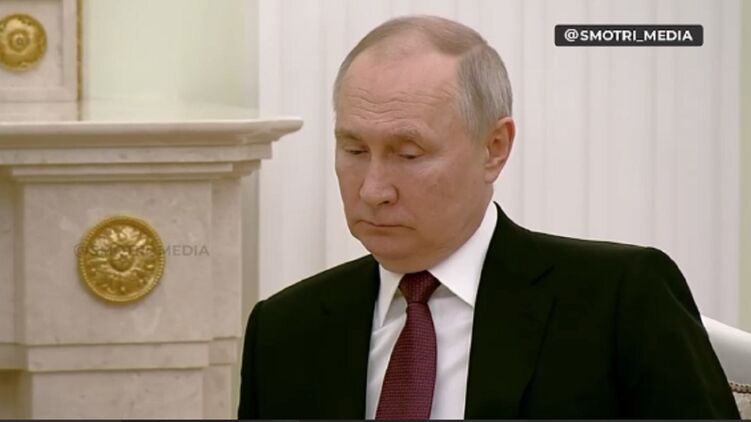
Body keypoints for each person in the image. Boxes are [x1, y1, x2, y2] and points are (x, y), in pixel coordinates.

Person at [238, 15, 739, 419]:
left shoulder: (619, 301)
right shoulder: (283, 331)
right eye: (353, 149)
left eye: (408, 154)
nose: (372, 190)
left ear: (494, 148)